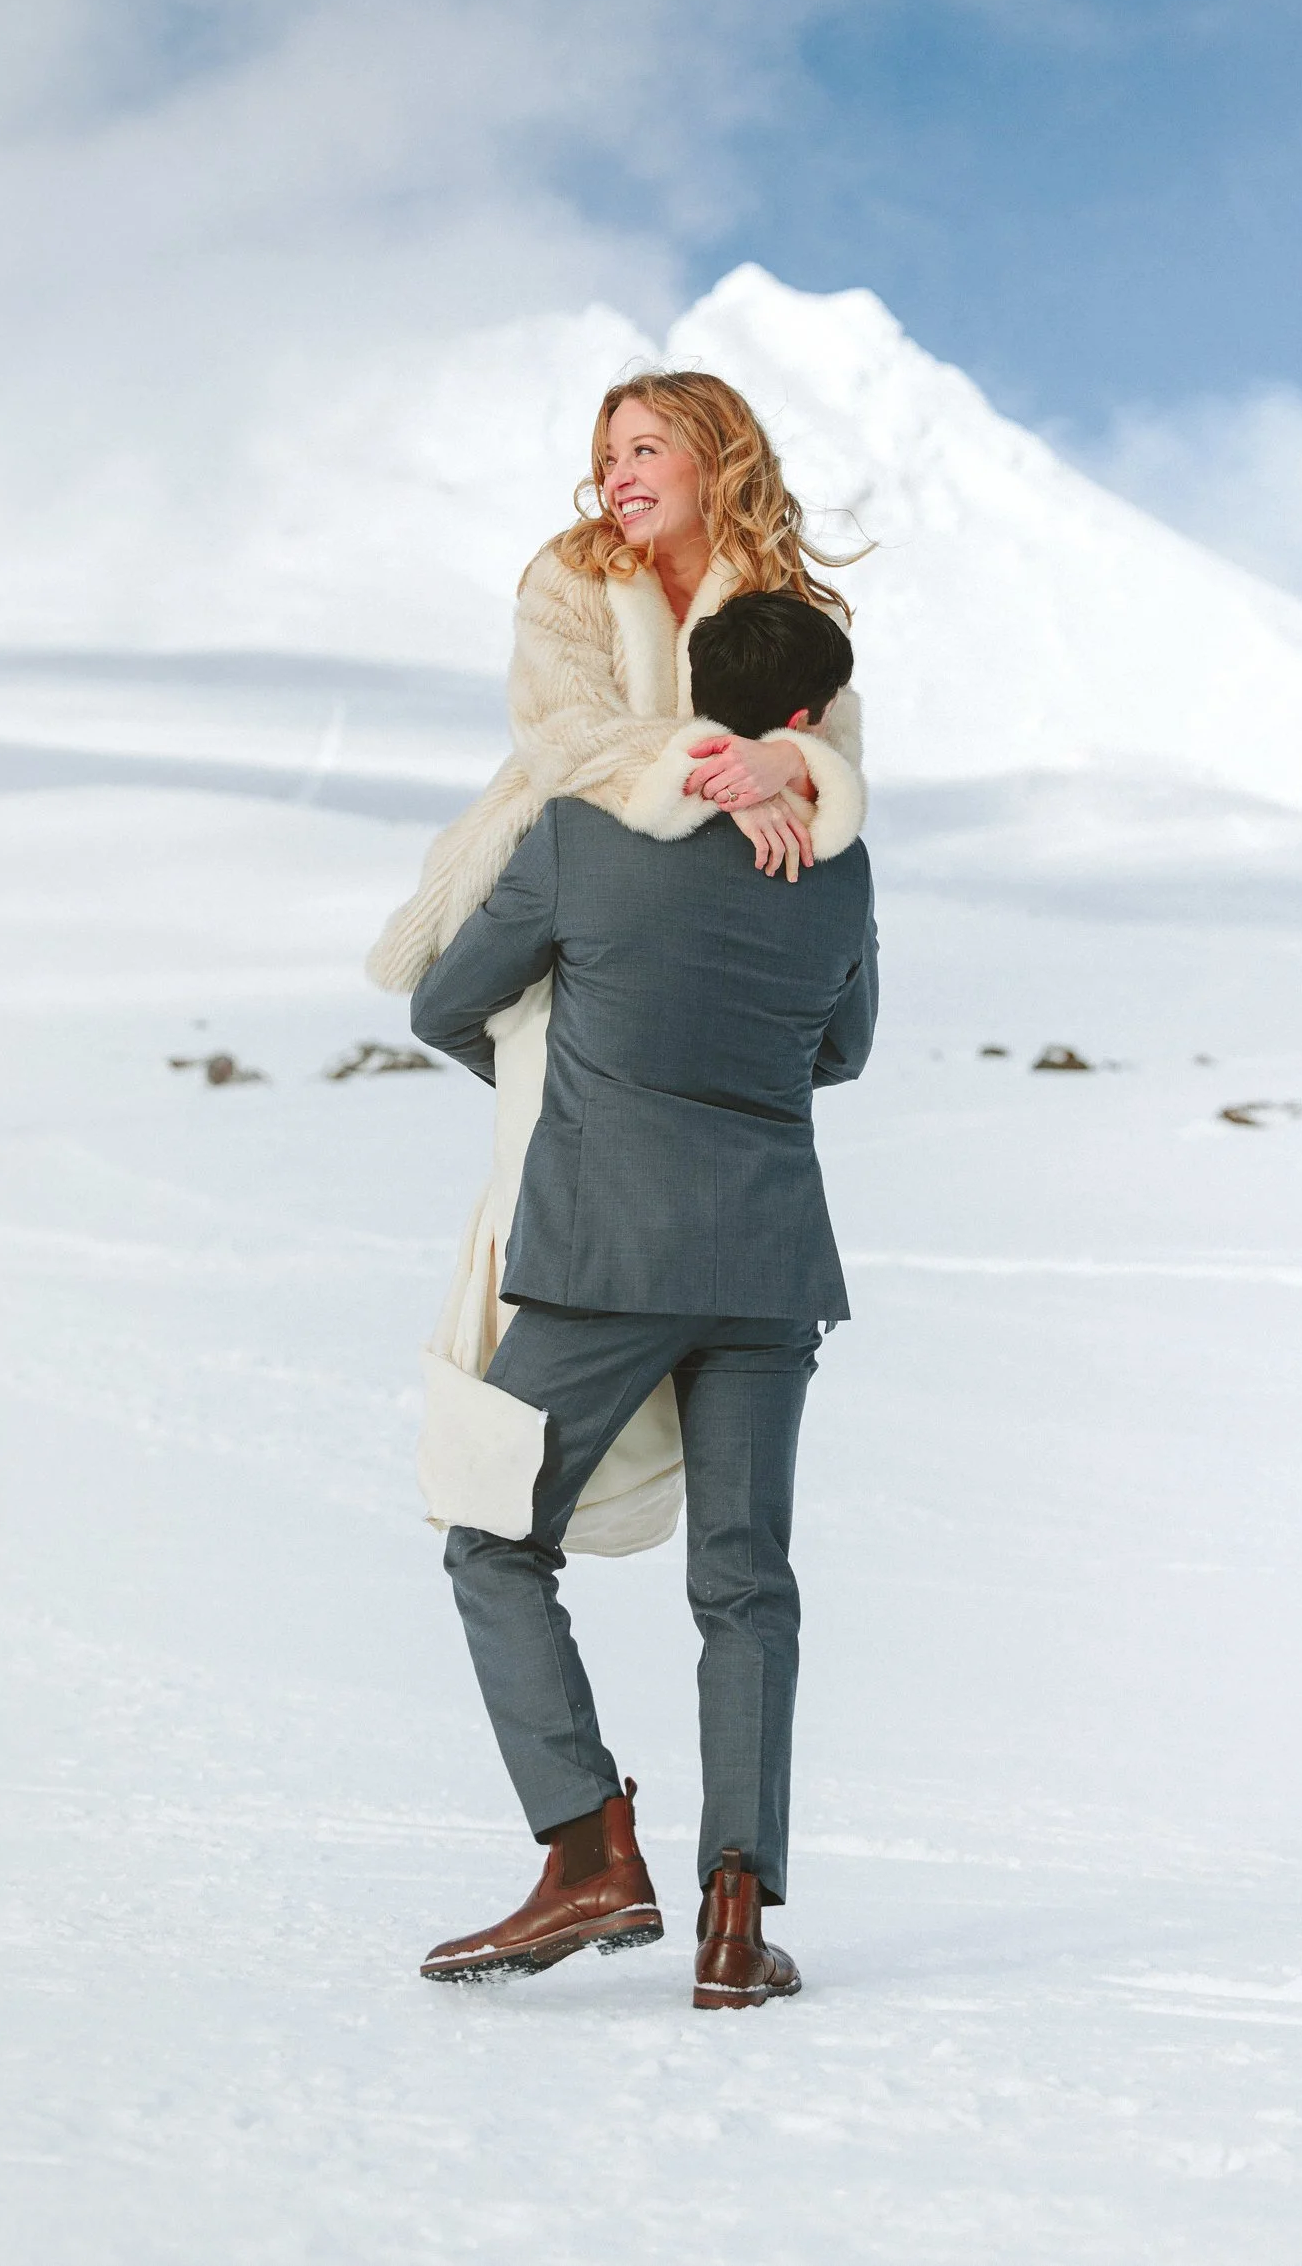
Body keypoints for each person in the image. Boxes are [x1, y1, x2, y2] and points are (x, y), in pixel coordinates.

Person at [406, 593, 876, 2011]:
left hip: (603, 1256)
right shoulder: (838, 868)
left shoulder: (582, 836)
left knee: (493, 1537)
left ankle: (586, 1849)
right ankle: (736, 1919)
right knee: (746, 1586)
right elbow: (840, 1051)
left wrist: (570, 1101)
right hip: (769, 1263)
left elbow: (443, 1004)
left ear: (690, 694)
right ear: (805, 721)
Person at [369, 372, 868, 1558]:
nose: (618, 475)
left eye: (646, 448)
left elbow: (828, 749)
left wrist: (789, 772)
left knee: (660, 1255)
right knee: (554, 1220)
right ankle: (526, 1505)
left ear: (716, 455)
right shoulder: (573, 574)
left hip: (711, 943)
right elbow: (566, 735)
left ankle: (545, 1521)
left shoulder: (796, 605)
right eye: (608, 455)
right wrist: (722, 773)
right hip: (579, 896)